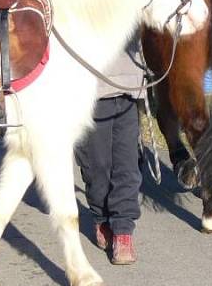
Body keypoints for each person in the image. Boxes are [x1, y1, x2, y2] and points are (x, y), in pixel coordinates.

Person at [75, 34, 145, 265]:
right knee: (97, 165)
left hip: (128, 84)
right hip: (91, 89)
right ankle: (101, 216)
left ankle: (123, 231)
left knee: (127, 163)